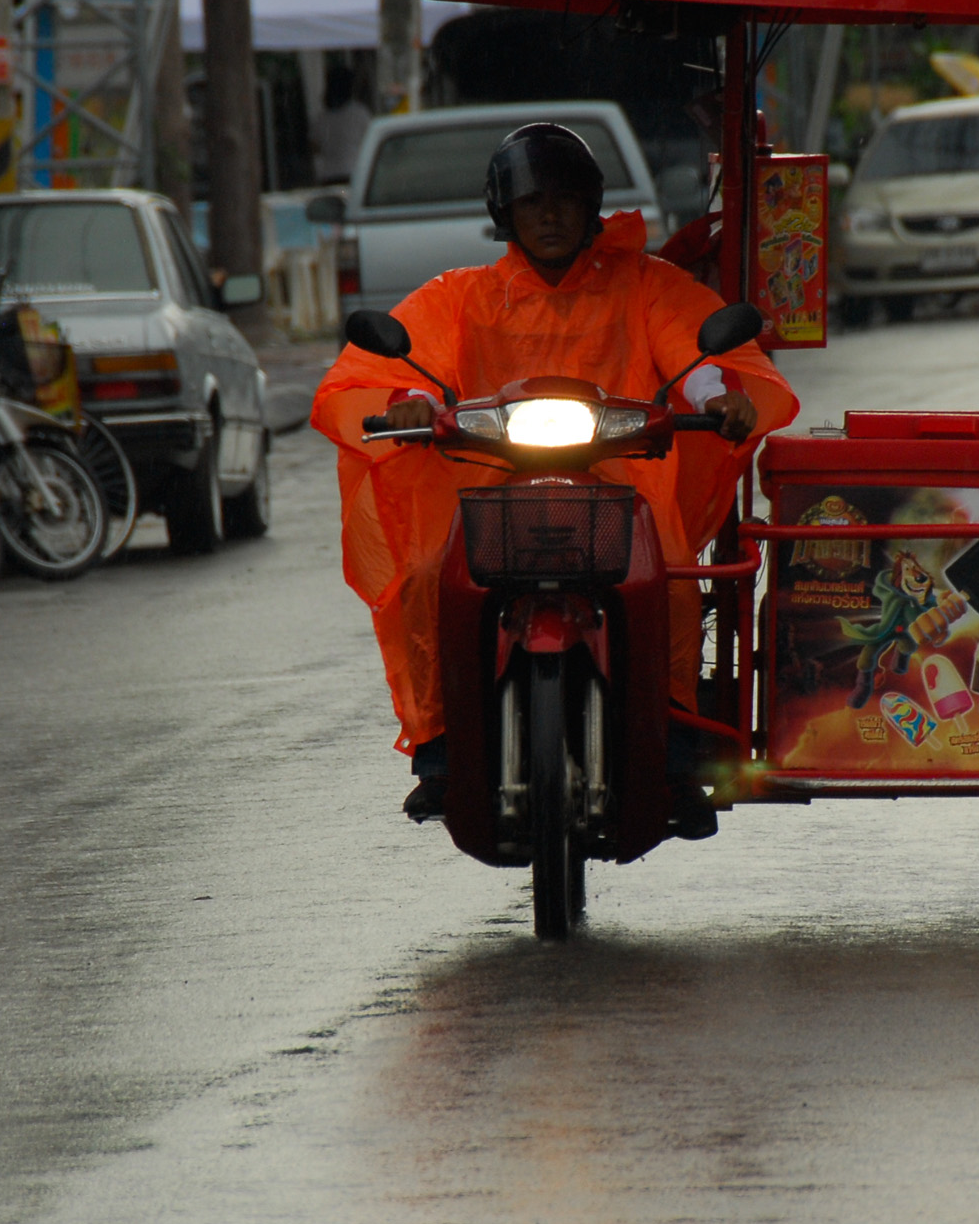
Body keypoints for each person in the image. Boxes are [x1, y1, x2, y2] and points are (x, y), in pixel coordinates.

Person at [310, 124, 799, 829]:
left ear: (591, 207)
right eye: (533, 202)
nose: (549, 215)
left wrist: (714, 392)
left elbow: (692, 348)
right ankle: (441, 744)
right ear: (504, 212)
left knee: (671, 572)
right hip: (486, 484)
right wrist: (403, 401)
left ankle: (672, 729)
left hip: (620, 482)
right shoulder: (462, 295)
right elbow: (391, 366)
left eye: (566, 201)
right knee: (424, 571)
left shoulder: (643, 283)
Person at [310, 66, 371, 186]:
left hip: (328, 176)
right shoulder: (360, 113)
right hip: (354, 173)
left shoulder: (321, 118)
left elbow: (314, 147)